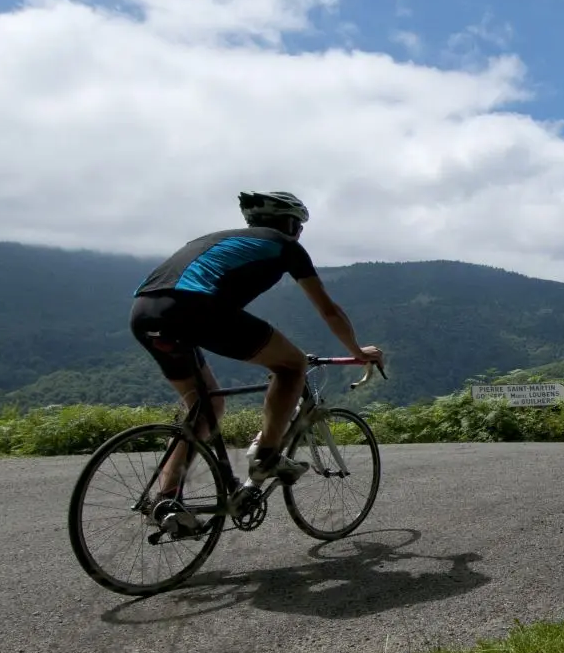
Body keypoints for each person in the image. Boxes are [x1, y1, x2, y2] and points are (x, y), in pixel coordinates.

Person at [128, 190, 383, 531]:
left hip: (145, 312)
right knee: (291, 365)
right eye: (300, 226)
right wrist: (356, 351)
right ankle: (266, 455)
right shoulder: (285, 245)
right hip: (197, 309)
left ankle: (166, 499)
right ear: (291, 223)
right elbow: (328, 309)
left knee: (205, 407)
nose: (300, 233)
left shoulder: (212, 239)